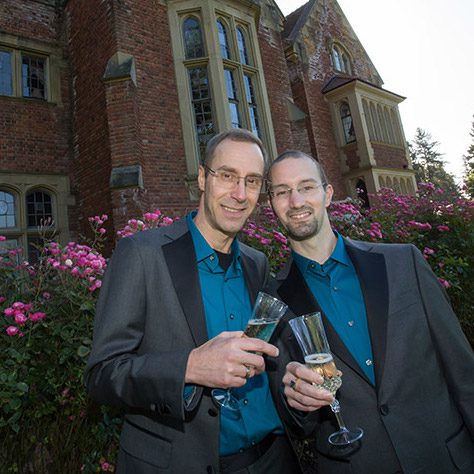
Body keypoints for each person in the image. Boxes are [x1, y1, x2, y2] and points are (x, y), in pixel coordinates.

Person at [84, 130, 301, 474]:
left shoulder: (255, 263)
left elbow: (264, 355)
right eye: (227, 175)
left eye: (253, 181)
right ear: (202, 178)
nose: (240, 194)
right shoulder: (141, 255)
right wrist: (190, 366)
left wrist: (293, 377)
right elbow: (102, 375)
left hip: (274, 459)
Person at [267, 150, 474, 474]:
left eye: (307, 187)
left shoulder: (403, 262)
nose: (296, 201)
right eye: (282, 191)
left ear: (328, 193)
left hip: (445, 458)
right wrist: (296, 399)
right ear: (272, 204)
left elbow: (463, 371)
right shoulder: (274, 299)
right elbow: (295, 418)